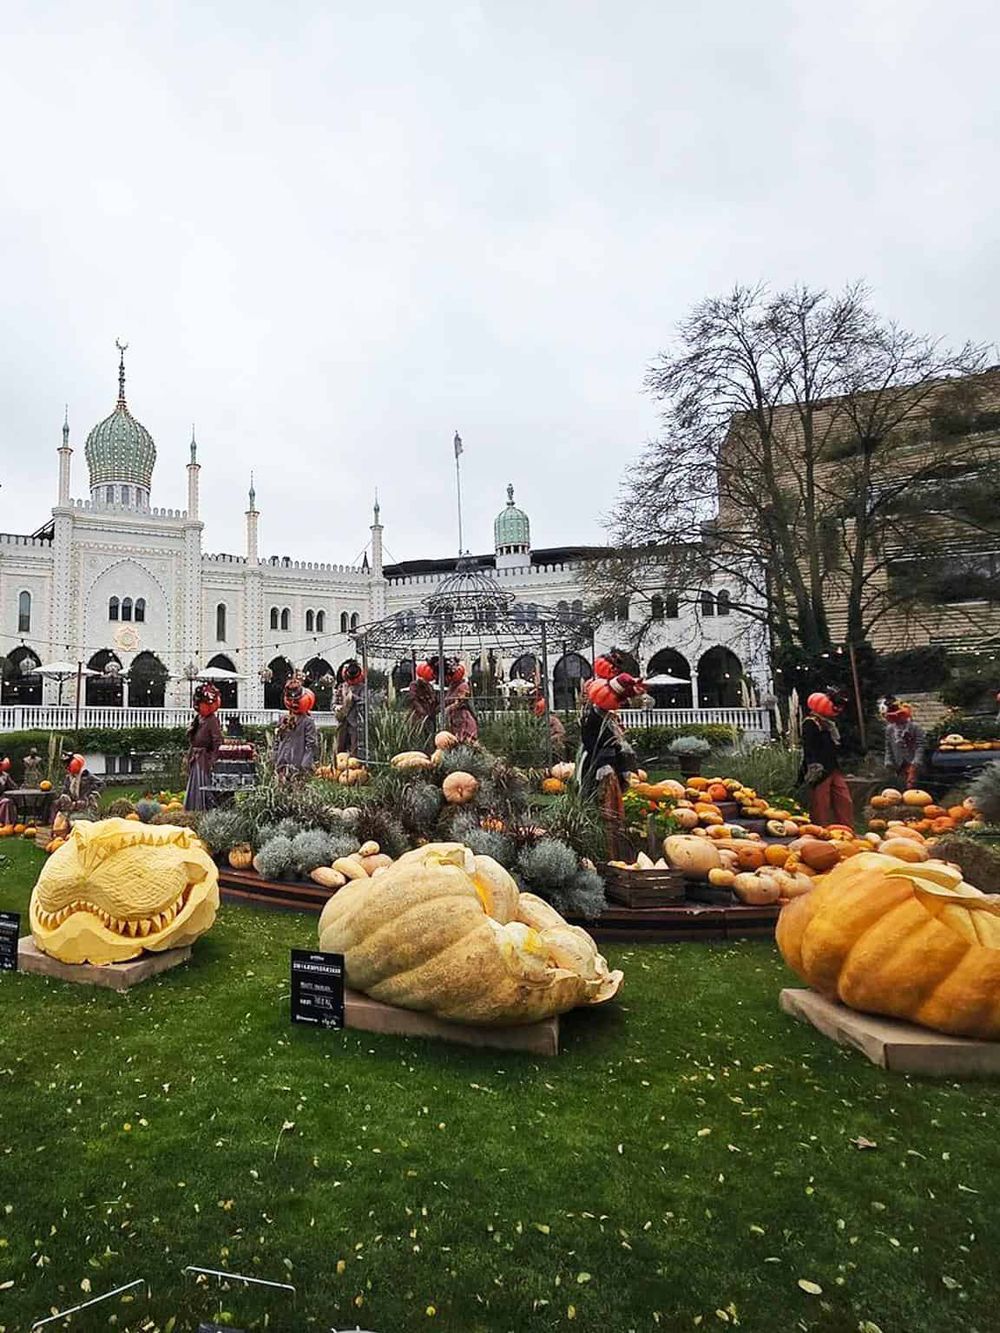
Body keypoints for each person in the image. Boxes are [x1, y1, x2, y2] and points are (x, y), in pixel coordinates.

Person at [578, 671, 646, 859]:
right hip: (597, 768)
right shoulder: (592, 718)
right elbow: (593, 744)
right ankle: (601, 846)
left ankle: (614, 846)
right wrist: (603, 764)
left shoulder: (610, 718)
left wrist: (624, 768)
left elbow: (618, 745)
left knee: (614, 808)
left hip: (612, 769)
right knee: (600, 806)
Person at [800, 687, 853, 828]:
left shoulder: (830, 724)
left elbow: (837, 745)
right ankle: (821, 831)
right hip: (820, 768)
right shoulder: (810, 723)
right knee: (821, 803)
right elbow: (808, 746)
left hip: (833, 766)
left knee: (844, 799)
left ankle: (846, 828)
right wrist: (813, 765)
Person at [184, 683, 223, 811]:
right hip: (195, 758)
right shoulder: (199, 718)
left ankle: (203, 810)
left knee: (203, 785)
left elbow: (218, 741)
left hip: (204, 760)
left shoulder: (212, 720)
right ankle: (193, 809)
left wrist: (213, 760)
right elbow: (193, 740)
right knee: (194, 784)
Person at [275, 679, 318, 777]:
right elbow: (277, 740)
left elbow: (311, 745)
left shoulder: (308, 722)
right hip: (282, 765)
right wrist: (275, 757)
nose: (293, 704)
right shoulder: (283, 719)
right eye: (291, 700)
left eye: (296, 700)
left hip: (298, 766)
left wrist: (305, 765)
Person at [882, 698, 925, 790]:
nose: (897, 718)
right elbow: (888, 746)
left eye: (899, 715)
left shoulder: (915, 728)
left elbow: (920, 746)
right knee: (901, 785)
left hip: (912, 761)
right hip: (899, 763)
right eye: (894, 716)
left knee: (913, 784)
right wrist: (888, 760)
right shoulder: (889, 729)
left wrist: (916, 762)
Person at [334, 660, 367, 758]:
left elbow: (364, 701)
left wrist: (353, 697)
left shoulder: (362, 688)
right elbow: (334, 702)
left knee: (354, 748)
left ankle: (354, 766)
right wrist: (336, 707)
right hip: (342, 721)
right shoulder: (341, 687)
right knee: (340, 746)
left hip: (355, 721)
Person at [54, 752, 99, 818]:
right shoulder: (68, 778)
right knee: (55, 803)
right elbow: (65, 790)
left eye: (68, 764)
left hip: (84, 803)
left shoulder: (86, 775)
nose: (66, 767)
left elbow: (101, 784)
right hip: (72, 803)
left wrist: (90, 794)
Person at [408, 663, 438, 749]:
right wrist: (423, 713)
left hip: (430, 718)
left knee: (430, 738)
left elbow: (434, 702)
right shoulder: (415, 685)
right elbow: (413, 700)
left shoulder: (430, 686)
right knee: (420, 739)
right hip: (419, 719)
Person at [445, 679, 479, 744]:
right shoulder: (452, 687)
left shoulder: (462, 686)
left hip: (463, 721)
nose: (462, 696)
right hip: (456, 718)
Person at [0, 757, 15, 826]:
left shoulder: (5, 776)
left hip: (2, 798)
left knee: (7, 801)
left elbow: (14, 787)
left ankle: (7, 824)